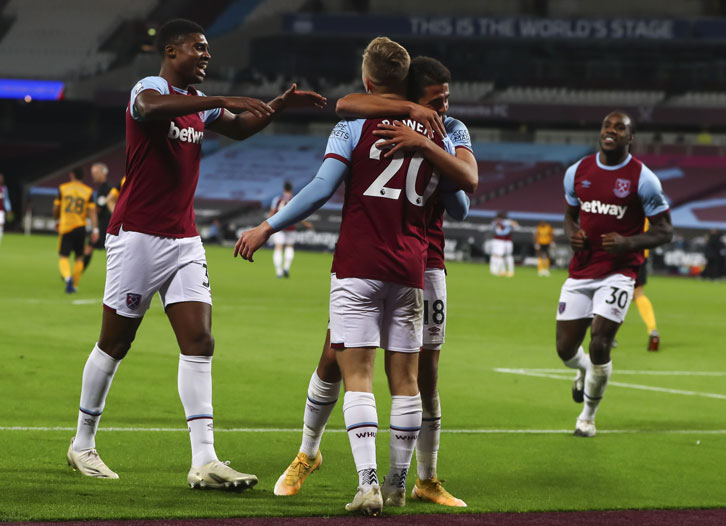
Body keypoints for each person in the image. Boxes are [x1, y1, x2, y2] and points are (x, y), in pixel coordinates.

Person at [66, 19, 326, 489]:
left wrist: (277, 107)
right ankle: (82, 444)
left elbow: (243, 129)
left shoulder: (195, 109)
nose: (206, 56)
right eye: (198, 48)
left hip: (183, 239)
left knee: (200, 341)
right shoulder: (151, 87)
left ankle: (204, 460)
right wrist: (220, 99)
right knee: (115, 342)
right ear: (171, 50)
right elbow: (147, 108)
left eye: (208, 49)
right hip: (138, 235)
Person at [234, 38, 469, 515]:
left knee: (401, 374)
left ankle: (403, 480)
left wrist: (267, 225)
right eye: (436, 99)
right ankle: (312, 454)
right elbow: (463, 198)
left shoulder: (372, 126)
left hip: (397, 263)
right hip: (409, 262)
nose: (444, 107)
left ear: (369, 80)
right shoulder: (401, 122)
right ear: (407, 89)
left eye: (447, 99)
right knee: (341, 363)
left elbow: (324, 185)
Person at [555, 111, 672, 438]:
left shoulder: (643, 179)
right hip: (581, 271)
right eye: (608, 126)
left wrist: (628, 242)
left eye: (620, 128)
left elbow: (665, 231)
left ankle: (587, 418)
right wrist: (571, 233)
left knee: (601, 341)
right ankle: (582, 372)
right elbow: (569, 215)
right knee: (565, 349)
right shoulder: (577, 171)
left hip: (619, 272)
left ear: (630, 138)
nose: (612, 131)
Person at [53, 168, 99, 293]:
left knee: (63, 255)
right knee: (79, 257)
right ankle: (75, 285)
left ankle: (68, 278)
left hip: (66, 226)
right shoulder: (88, 191)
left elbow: (56, 207)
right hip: (80, 227)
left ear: (72, 175)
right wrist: (95, 229)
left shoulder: (63, 188)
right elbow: (92, 212)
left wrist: (56, 220)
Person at [268, 180, 312, 278]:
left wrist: (267, 224)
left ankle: (278, 272)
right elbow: (299, 214)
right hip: (291, 227)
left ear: (284, 189)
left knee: (278, 248)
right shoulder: (294, 199)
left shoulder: (277, 199)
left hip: (278, 227)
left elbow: (272, 213)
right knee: (289, 247)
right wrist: (306, 223)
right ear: (291, 189)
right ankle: (286, 268)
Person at [80, 162, 115, 272]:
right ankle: (77, 273)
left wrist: (87, 212)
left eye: (95, 173)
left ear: (103, 173)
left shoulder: (107, 189)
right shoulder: (104, 188)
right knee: (89, 247)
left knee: (93, 248)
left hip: (104, 227)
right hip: (102, 226)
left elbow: (99, 208)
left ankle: (77, 273)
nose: (93, 175)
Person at [633, 219, 660, 351]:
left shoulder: (626, 202)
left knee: (617, 292)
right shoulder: (647, 204)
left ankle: (607, 334)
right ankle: (652, 330)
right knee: (638, 293)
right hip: (642, 254)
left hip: (624, 251)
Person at [490, 211, 518, 277]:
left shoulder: (507, 222)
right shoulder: (497, 222)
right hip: (502, 241)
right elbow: (493, 228)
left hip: (506, 241)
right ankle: (503, 270)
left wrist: (509, 223)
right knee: (501, 256)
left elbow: (515, 225)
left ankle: (511, 271)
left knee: (507, 256)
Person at [0, 173, 10, 245]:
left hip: (1, 211)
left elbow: (6, 200)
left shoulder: (4, 189)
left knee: (1, 225)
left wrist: (8, 209)